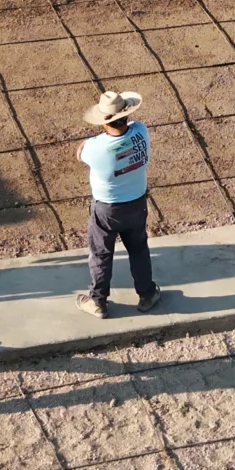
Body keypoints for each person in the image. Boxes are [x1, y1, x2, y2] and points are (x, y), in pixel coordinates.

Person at [75, 90, 159, 317]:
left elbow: (80, 153)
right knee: (139, 248)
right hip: (137, 201)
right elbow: (131, 130)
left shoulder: (95, 147)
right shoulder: (141, 131)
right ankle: (147, 293)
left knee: (101, 254)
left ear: (104, 120)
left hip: (107, 209)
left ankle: (98, 301)